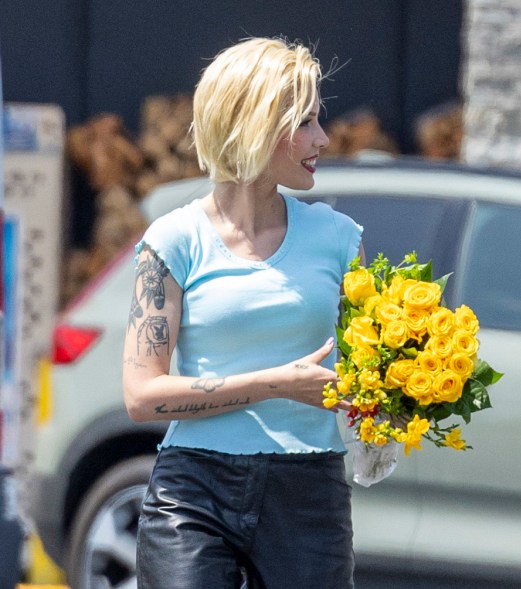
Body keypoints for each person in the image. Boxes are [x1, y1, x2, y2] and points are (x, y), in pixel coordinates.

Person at [123, 36, 363, 589]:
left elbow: (359, 377)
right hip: (192, 493)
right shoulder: (174, 239)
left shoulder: (338, 239)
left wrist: (408, 389)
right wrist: (274, 384)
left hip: (309, 495)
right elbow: (141, 395)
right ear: (257, 124)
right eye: (304, 122)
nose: (322, 139)